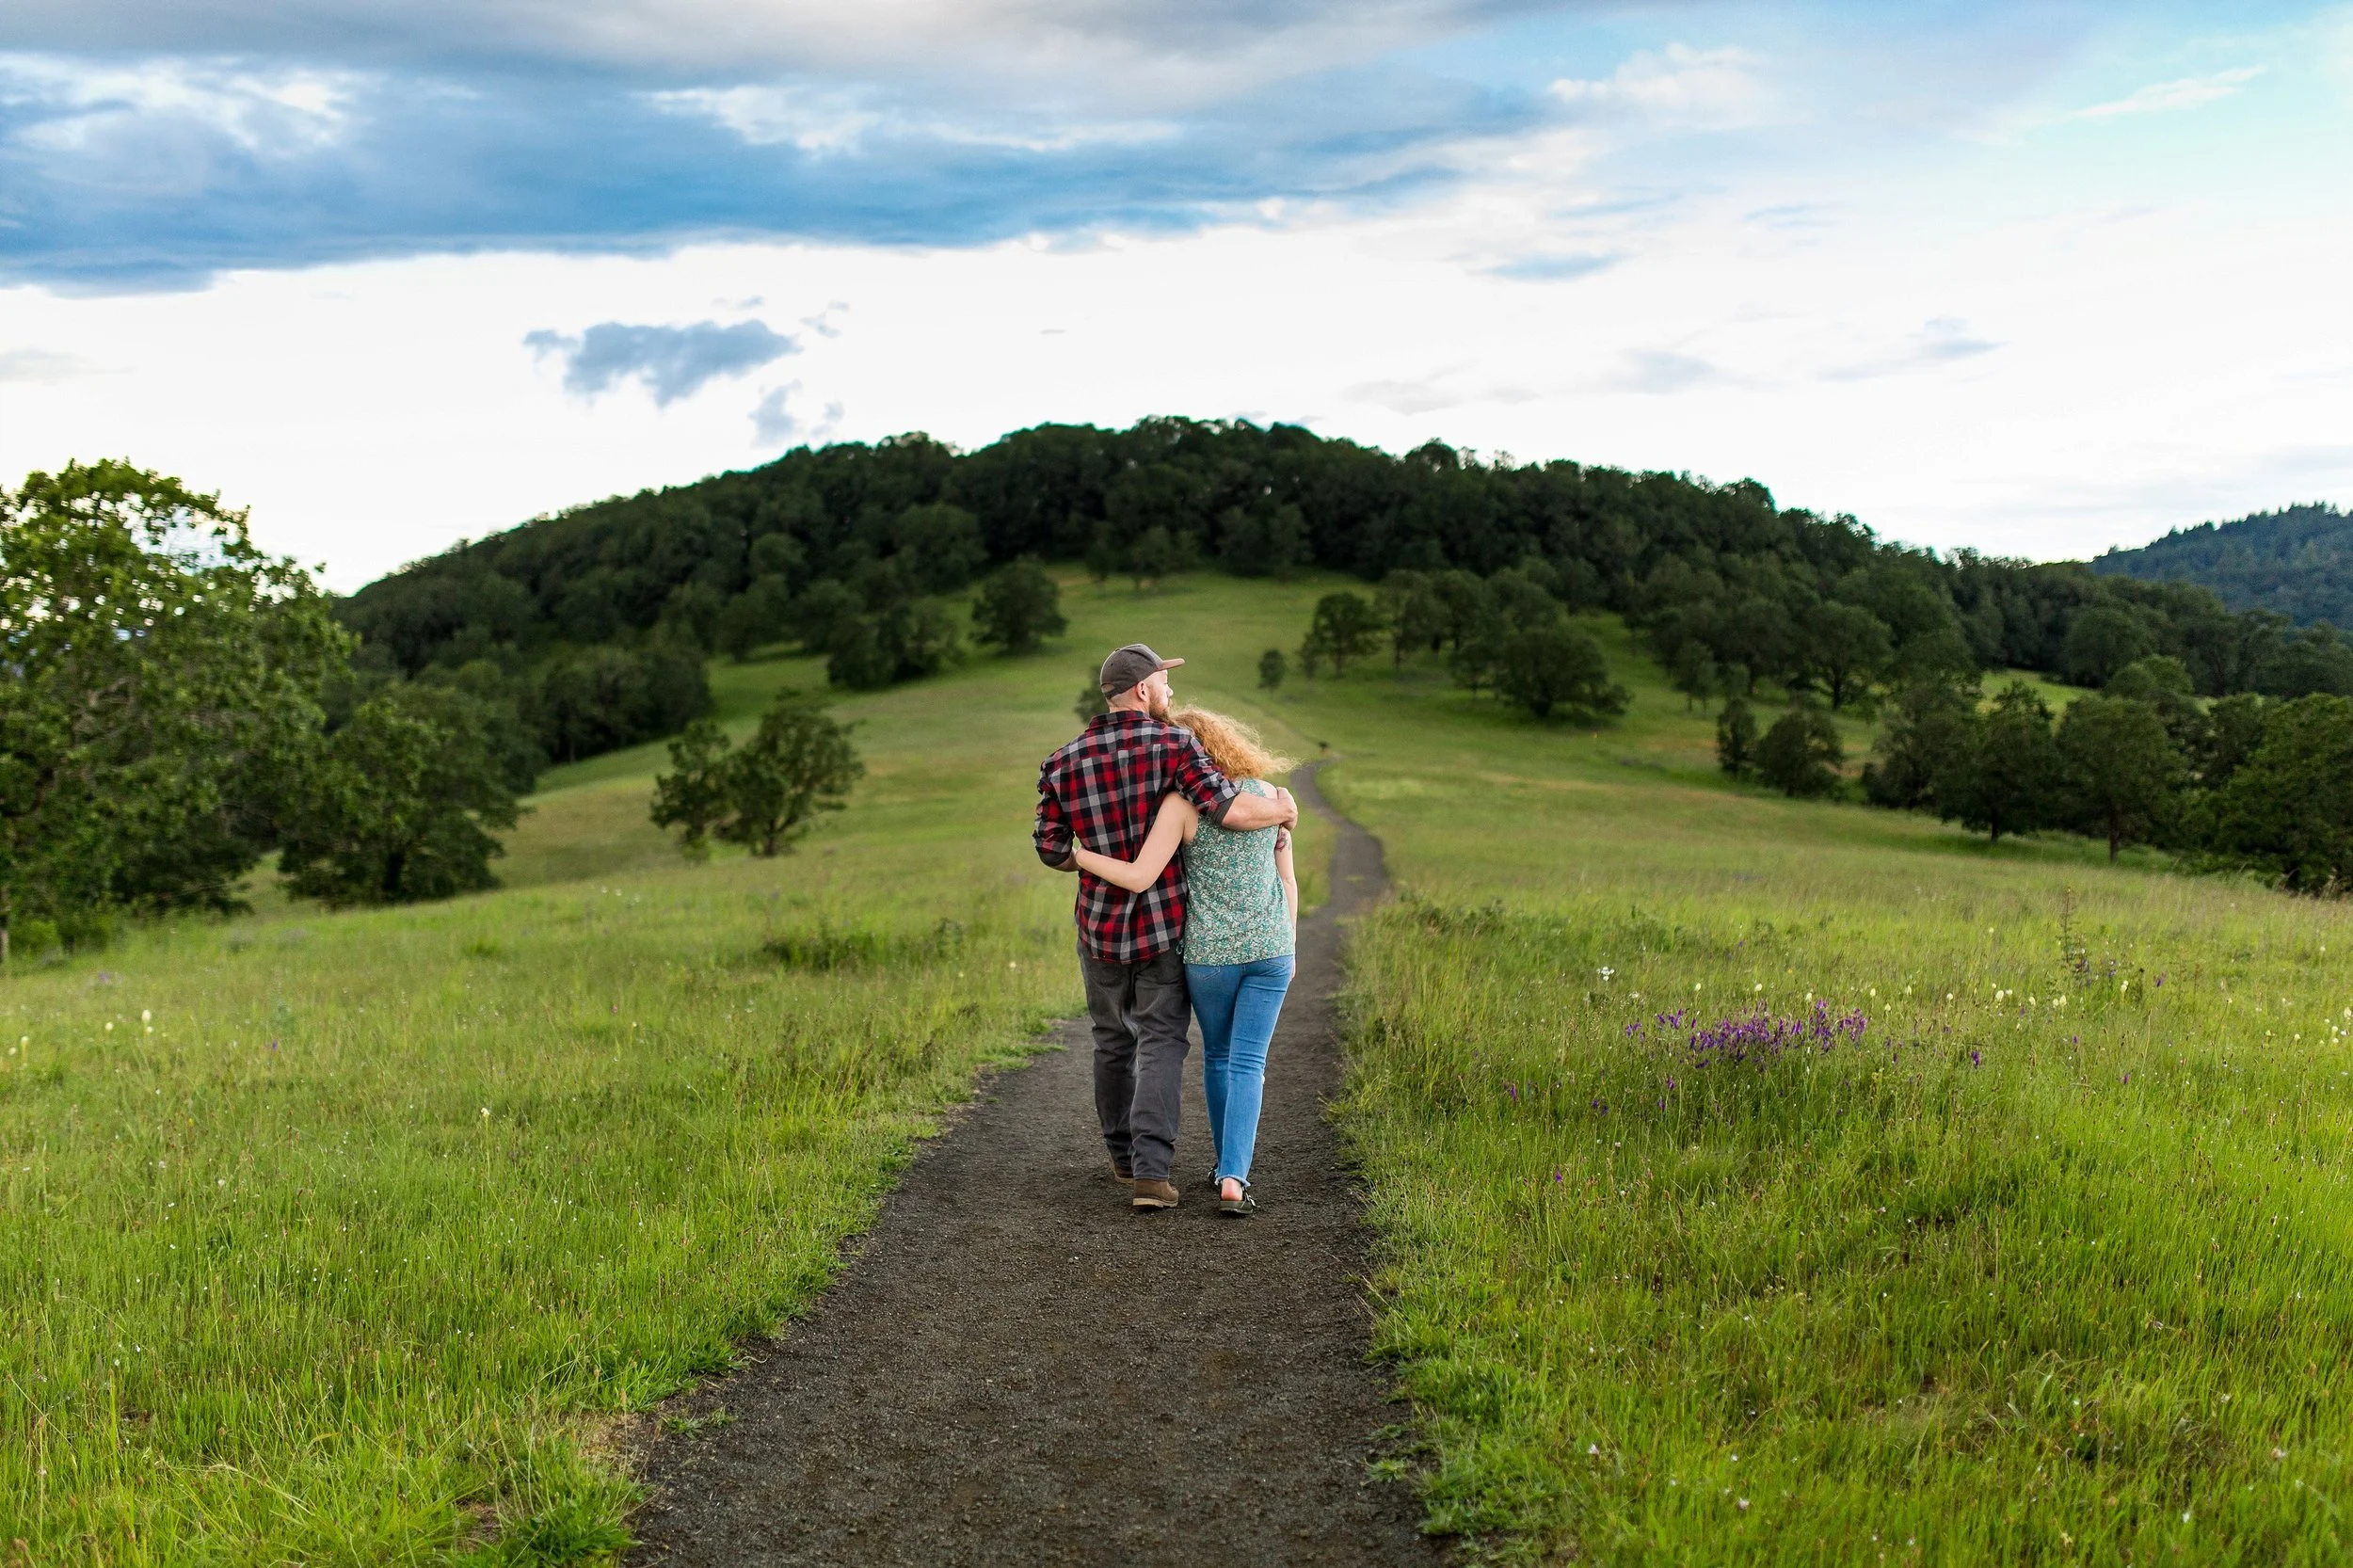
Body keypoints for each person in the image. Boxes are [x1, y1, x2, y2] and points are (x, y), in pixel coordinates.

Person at [1034, 645, 1297, 1210]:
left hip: (1099, 927)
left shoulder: (1061, 761)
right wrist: (1282, 809)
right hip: (1161, 925)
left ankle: (1123, 1162)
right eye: (1165, 684)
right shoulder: (1177, 745)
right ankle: (1155, 1173)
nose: (1170, 693)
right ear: (1144, 690)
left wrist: (1083, 856)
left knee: (1110, 1041)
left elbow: (1051, 850)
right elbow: (1224, 808)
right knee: (1161, 1041)